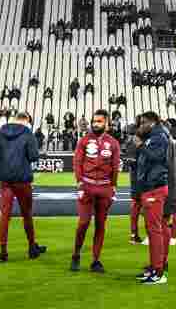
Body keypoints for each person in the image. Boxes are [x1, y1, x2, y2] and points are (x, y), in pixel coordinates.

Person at [0, 111, 46, 263]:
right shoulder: (28, 133)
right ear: (27, 120)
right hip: (22, 179)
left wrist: (5, 166)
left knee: (5, 215)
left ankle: (3, 253)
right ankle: (31, 248)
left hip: (6, 180)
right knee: (27, 214)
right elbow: (34, 156)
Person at [71, 109, 120, 273]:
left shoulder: (113, 143)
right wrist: (79, 182)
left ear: (106, 123)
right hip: (87, 185)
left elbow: (115, 166)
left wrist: (113, 187)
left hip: (105, 188)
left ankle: (96, 260)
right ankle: (76, 254)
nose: (95, 124)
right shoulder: (84, 140)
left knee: (100, 225)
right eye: (94, 121)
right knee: (83, 223)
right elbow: (77, 162)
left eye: (99, 121)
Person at [132, 111, 170, 285]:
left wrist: (141, 146)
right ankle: (155, 267)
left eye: (142, 123)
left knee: (155, 230)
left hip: (155, 187)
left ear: (151, 122)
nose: (140, 126)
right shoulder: (154, 136)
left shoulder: (159, 136)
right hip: (150, 187)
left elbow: (157, 157)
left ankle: (159, 272)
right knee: (152, 229)